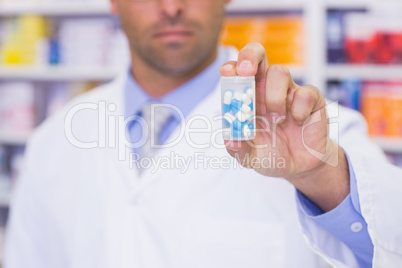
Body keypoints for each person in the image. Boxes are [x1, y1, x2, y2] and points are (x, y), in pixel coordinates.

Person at [4, 0, 402, 267]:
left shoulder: (312, 129)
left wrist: (319, 176)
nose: (172, 7)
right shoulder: (52, 143)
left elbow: (389, 243)